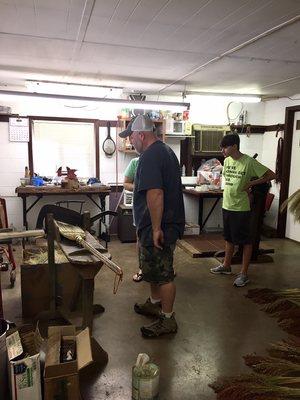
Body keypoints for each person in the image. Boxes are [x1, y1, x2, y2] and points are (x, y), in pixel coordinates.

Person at [121, 114, 185, 337]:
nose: (131, 142)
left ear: (141, 135)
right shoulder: (165, 151)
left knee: (164, 273)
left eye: (131, 137)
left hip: (161, 225)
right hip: (160, 223)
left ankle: (167, 319)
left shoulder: (150, 156)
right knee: (153, 270)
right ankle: (154, 302)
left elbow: (155, 193)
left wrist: (156, 228)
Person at [210, 133, 276, 286]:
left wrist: (251, 184)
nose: (222, 151)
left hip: (241, 207)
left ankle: (244, 273)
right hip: (227, 204)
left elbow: (271, 175)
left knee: (245, 241)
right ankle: (226, 266)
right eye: (221, 148)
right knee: (229, 237)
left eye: (225, 147)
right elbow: (230, 181)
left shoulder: (249, 162)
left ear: (234, 146)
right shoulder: (226, 161)